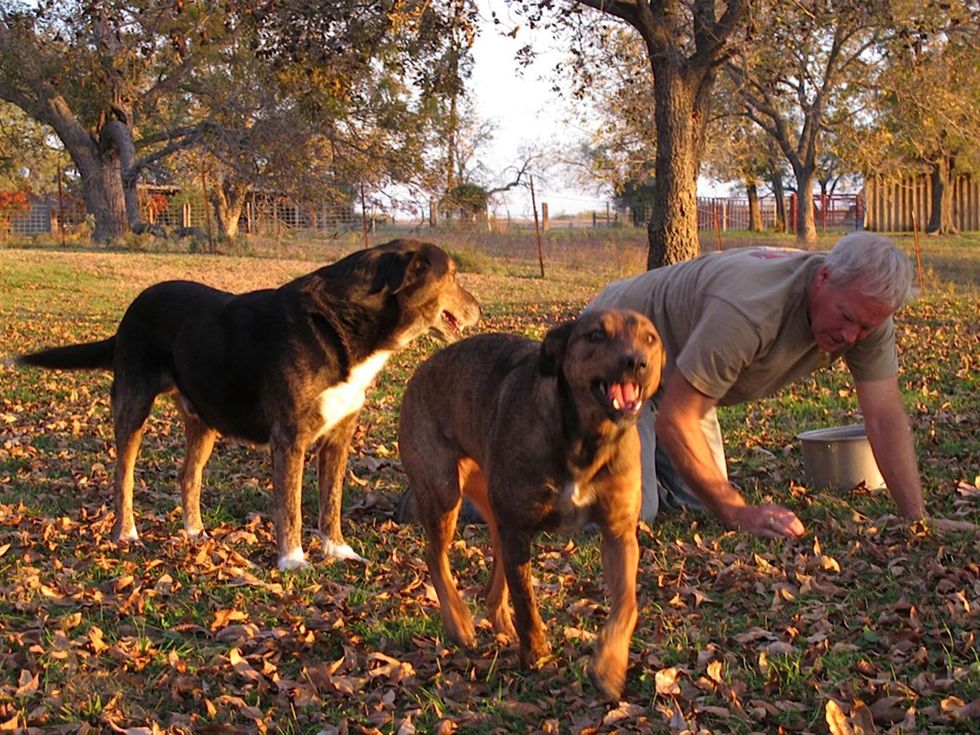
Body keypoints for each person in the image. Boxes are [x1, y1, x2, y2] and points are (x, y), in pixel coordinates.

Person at [585, 231, 957, 539]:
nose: (850, 336)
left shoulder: (865, 311)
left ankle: (638, 457)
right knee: (631, 513)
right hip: (615, 352)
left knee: (697, 503)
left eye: (865, 327)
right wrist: (738, 512)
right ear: (823, 278)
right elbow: (677, 419)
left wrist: (916, 518)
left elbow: (884, 416)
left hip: (682, 368)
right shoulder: (750, 309)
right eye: (846, 317)